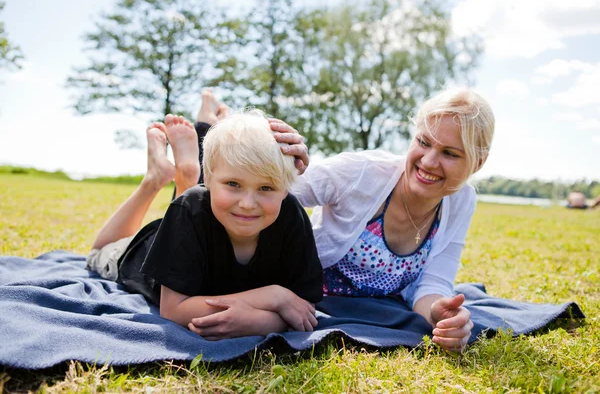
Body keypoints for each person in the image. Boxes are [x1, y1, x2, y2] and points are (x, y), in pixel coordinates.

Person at [248, 88, 494, 352]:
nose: (429, 161)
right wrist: (275, 155)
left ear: (477, 162)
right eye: (423, 142)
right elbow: (267, 193)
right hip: (303, 296)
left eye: (450, 153)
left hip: (371, 310)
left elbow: (434, 282)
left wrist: (441, 316)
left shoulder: (461, 200)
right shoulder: (361, 173)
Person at [87, 90, 323, 340]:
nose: (247, 204)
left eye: (266, 188)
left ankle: (190, 163)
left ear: (285, 189)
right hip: (147, 249)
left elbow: (304, 309)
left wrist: (261, 320)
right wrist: (273, 300)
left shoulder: (291, 215)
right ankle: (155, 179)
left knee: (195, 204)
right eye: (233, 184)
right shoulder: (190, 207)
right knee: (97, 253)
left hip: (194, 229)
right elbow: (173, 310)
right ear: (207, 179)